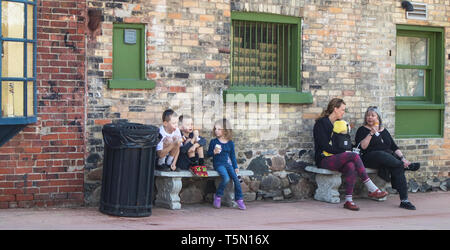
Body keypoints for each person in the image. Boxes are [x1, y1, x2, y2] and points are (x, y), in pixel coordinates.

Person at [313, 98, 388, 211]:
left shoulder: (340, 124)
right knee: (353, 156)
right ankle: (372, 189)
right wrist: (346, 153)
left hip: (337, 158)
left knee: (351, 166)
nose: (344, 112)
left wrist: (352, 149)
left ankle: (348, 200)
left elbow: (343, 143)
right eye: (342, 110)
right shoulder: (321, 123)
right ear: (335, 109)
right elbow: (324, 146)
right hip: (324, 159)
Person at [355, 106, 420, 210]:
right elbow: (363, 147)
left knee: (397, 166)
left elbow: (394, 147)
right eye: (368, 115)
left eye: (373, 115)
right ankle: (404, 166)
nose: (370, 118)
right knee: (381, 154)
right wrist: (371, 133)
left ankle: (404, 200)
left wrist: (403, 158)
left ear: (378, 117)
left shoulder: (384, 131)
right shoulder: (362, 130)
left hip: (387, 159)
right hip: (369, 158)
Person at [207, 118, 246, 210]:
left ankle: (239, 199)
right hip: (218, 164)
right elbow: (208, 154)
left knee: (236, 180)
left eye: (219, 129)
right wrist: (214, 152)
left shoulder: (230, 143)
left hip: (228, 165)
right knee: (226, 178)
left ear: (225, 130)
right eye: (215, 129)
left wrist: (235, 167)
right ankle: (218, 196)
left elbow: (232, 156)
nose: (216, 131)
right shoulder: (214, 142)